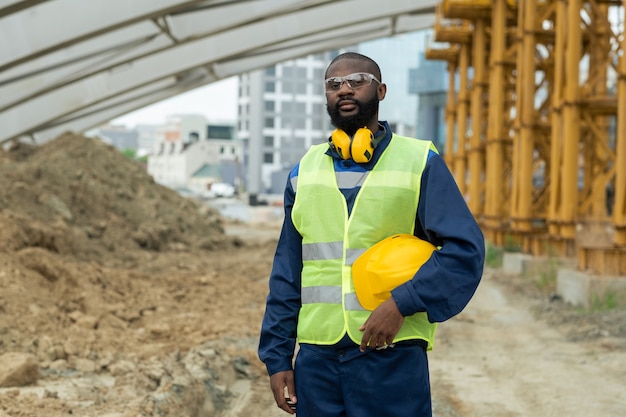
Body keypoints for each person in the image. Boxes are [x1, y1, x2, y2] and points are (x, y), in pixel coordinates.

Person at [258, 52, 485, 417]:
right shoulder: (304, 171)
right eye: (334, 84)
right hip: (317, 359)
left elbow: (464, 252)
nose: (344, 89)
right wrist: (278, 356)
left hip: (391, 356)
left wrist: (403, 303)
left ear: (380, 90)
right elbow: (288, 271)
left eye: (357, 80)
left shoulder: (419, 161)